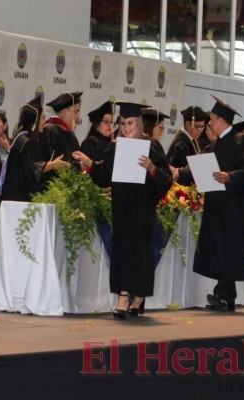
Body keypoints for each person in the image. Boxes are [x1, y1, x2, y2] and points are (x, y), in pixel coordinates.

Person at [73, 102, 172, 320]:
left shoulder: (151, 146)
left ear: (138, 123)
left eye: (130, 123)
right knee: (122, 252)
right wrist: (90, 165)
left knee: (140, 253)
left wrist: (152, 169)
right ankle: (123, 295)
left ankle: (137, 297)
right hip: (122, 208)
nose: (126, 128)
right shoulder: (115, 148)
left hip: (143, 209)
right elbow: (103, 176)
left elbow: (167, 179)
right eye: (123, 124)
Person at [193, 95, 244, 313]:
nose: (209, 123)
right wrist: (179, 172)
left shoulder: (240, 141)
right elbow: (203, 167)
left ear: (221, 120)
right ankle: (224, 295)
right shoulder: (217, 144)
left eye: (211, 119)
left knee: (229, 251)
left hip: (234, 209)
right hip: (218, 207)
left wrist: (230, 177)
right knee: (220, 250)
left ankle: (225, 296)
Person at [0, 96, 70, 202]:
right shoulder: (26, 142)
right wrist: (53, 164)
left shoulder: (21, 138)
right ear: (34, 121)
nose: (44, 122)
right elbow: (32, 169)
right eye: (42, 118)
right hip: (17, 199)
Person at [39, 91, 83, 174]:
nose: (78, 116)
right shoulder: (48, 131)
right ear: (65, 112)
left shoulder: (70, 133)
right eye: (76, 112)